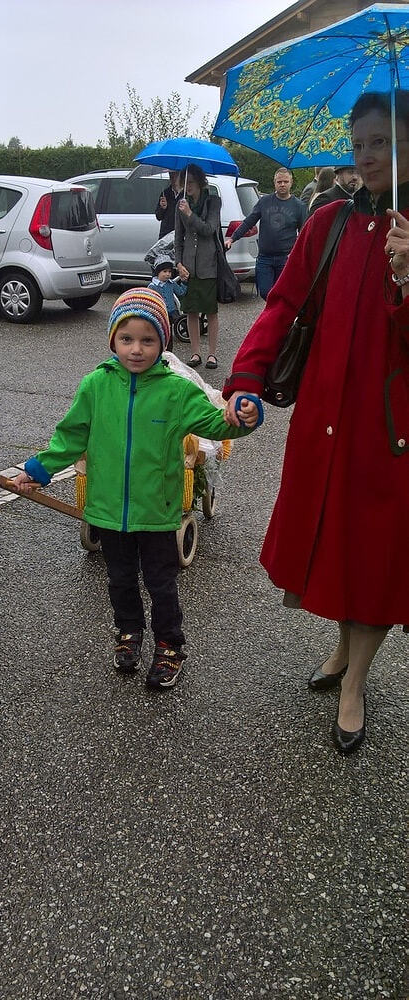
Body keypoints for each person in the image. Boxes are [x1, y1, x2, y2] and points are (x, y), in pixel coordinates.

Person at [222, 89, 409, 755]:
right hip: (324, 421)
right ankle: (341, 648)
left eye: (382, 142)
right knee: (333, 545)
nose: (368, 156)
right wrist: (246, 375)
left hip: (388, 434)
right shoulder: (328, 220)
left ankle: (356, 681)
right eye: (359, 145)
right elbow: (283, 304)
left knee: (375, 558)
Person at [14, 287, 263, 690]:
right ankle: (129, 632)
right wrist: (37, 469)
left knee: (161, 584)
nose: (136, 349)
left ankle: (169, 646)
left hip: (157, 511)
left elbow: (217, 424)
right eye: (126, 338)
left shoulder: (177, 391)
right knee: (120, 580)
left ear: (162, 343)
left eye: (148, 340)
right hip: (109, 510)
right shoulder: (96, 385)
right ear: (113, 339)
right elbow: (70, 437)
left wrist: (243, 417)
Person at [225, 167, 307, 300]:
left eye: (285, 182)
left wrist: (298, 254)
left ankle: (277, 313)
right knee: (265, 292)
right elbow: (249, 222)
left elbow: (304, 233)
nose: (282, 184)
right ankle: (272, 310)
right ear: (274, 183)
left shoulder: (299, 206)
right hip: (265, 257)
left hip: (285, 258)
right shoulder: (264, 201)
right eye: (279, 182)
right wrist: (232, 238)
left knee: (283, 293)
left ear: (291, 183)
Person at [174, 163, 221, 370]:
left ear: (200, 182)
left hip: (208, 264)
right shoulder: (180, 203)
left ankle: (212, 354)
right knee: (191, 311)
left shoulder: (213, 201)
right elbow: (178, 237)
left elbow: (209, 229)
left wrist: (190, 214)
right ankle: (195, 353)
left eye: (191, 182)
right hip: (188, 265)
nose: (188, 186)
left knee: (210, 311)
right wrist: (178, 263)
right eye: (185, 183)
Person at [147, 254, 187, 326]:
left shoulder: (171, 283)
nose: (168, 274)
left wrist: (184, 282)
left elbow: (181, 292)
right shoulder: (152, 286)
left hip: (172, 311)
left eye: (169, 271)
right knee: (162, 326)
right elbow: (149, 302)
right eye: (165, 271)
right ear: (158, 272)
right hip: (159, 312)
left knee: (180, 322)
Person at [155, 171, 182, 238]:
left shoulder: (186, 194)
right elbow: (158, 216)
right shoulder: (165, 193)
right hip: (165, 234)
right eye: (171, 176)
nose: (173, 178)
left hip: (180, 234)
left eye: (176, 175)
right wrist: (162, 208)